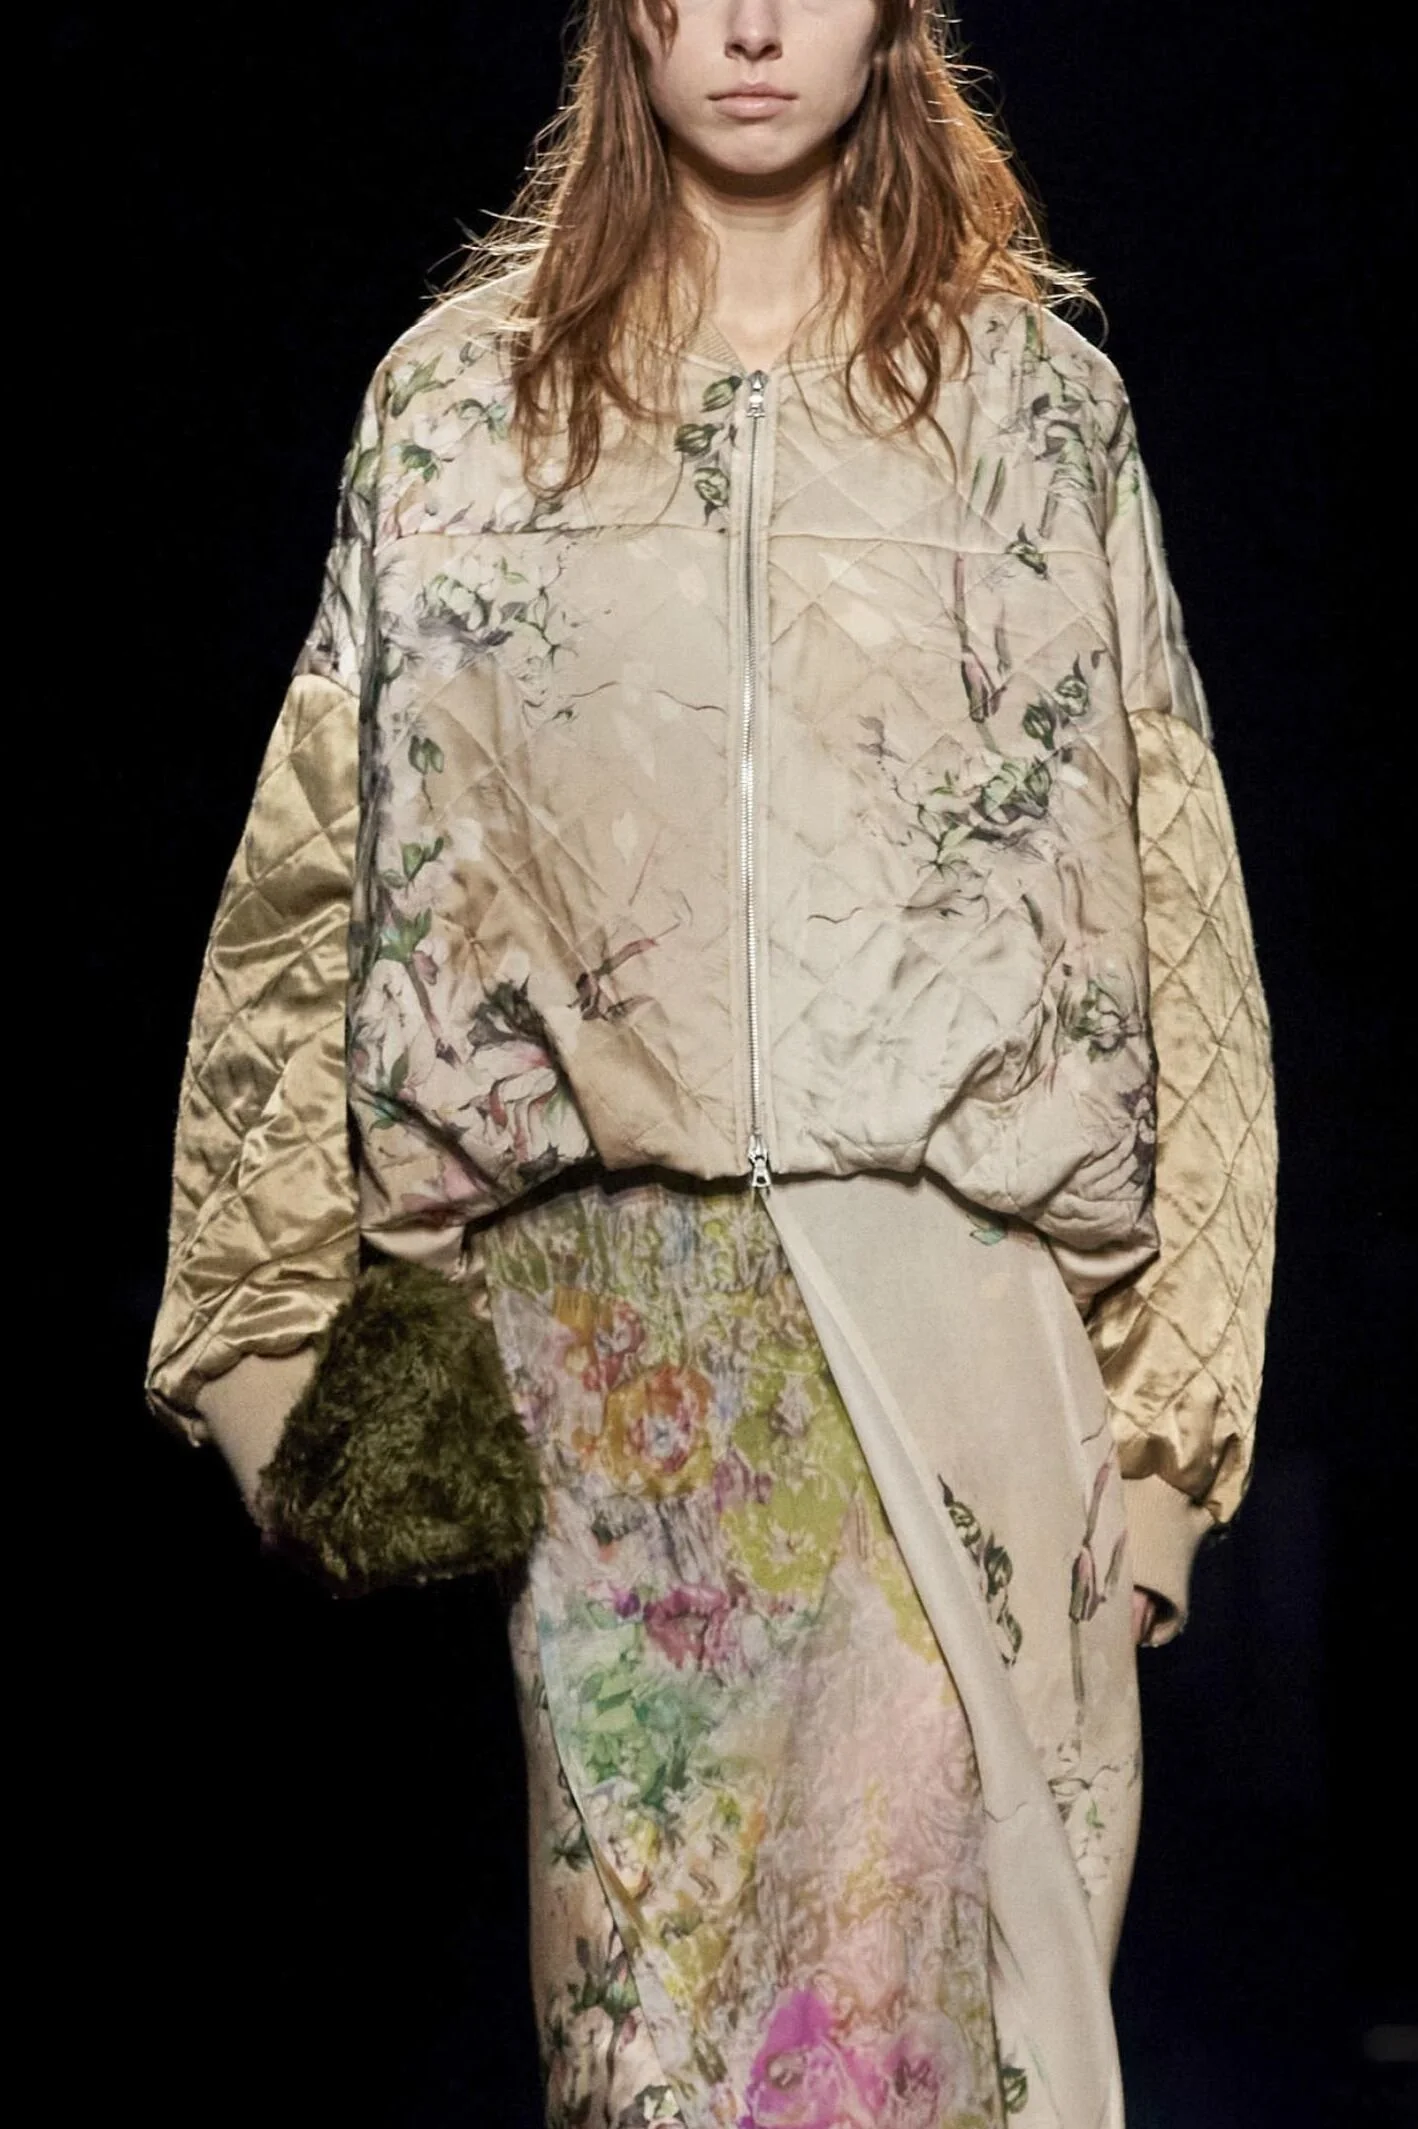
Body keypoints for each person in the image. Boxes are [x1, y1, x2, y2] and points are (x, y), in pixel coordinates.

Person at [145, 1, 1277, 2122]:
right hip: (606, 1376)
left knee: (903, 2054)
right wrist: (269, 1364)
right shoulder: (455, 409)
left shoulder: (1034, 410)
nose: (753, 24)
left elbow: (1171, 896)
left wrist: (1161, 1448)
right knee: (653, 2071)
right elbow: (316, 879)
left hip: (957, 1339)